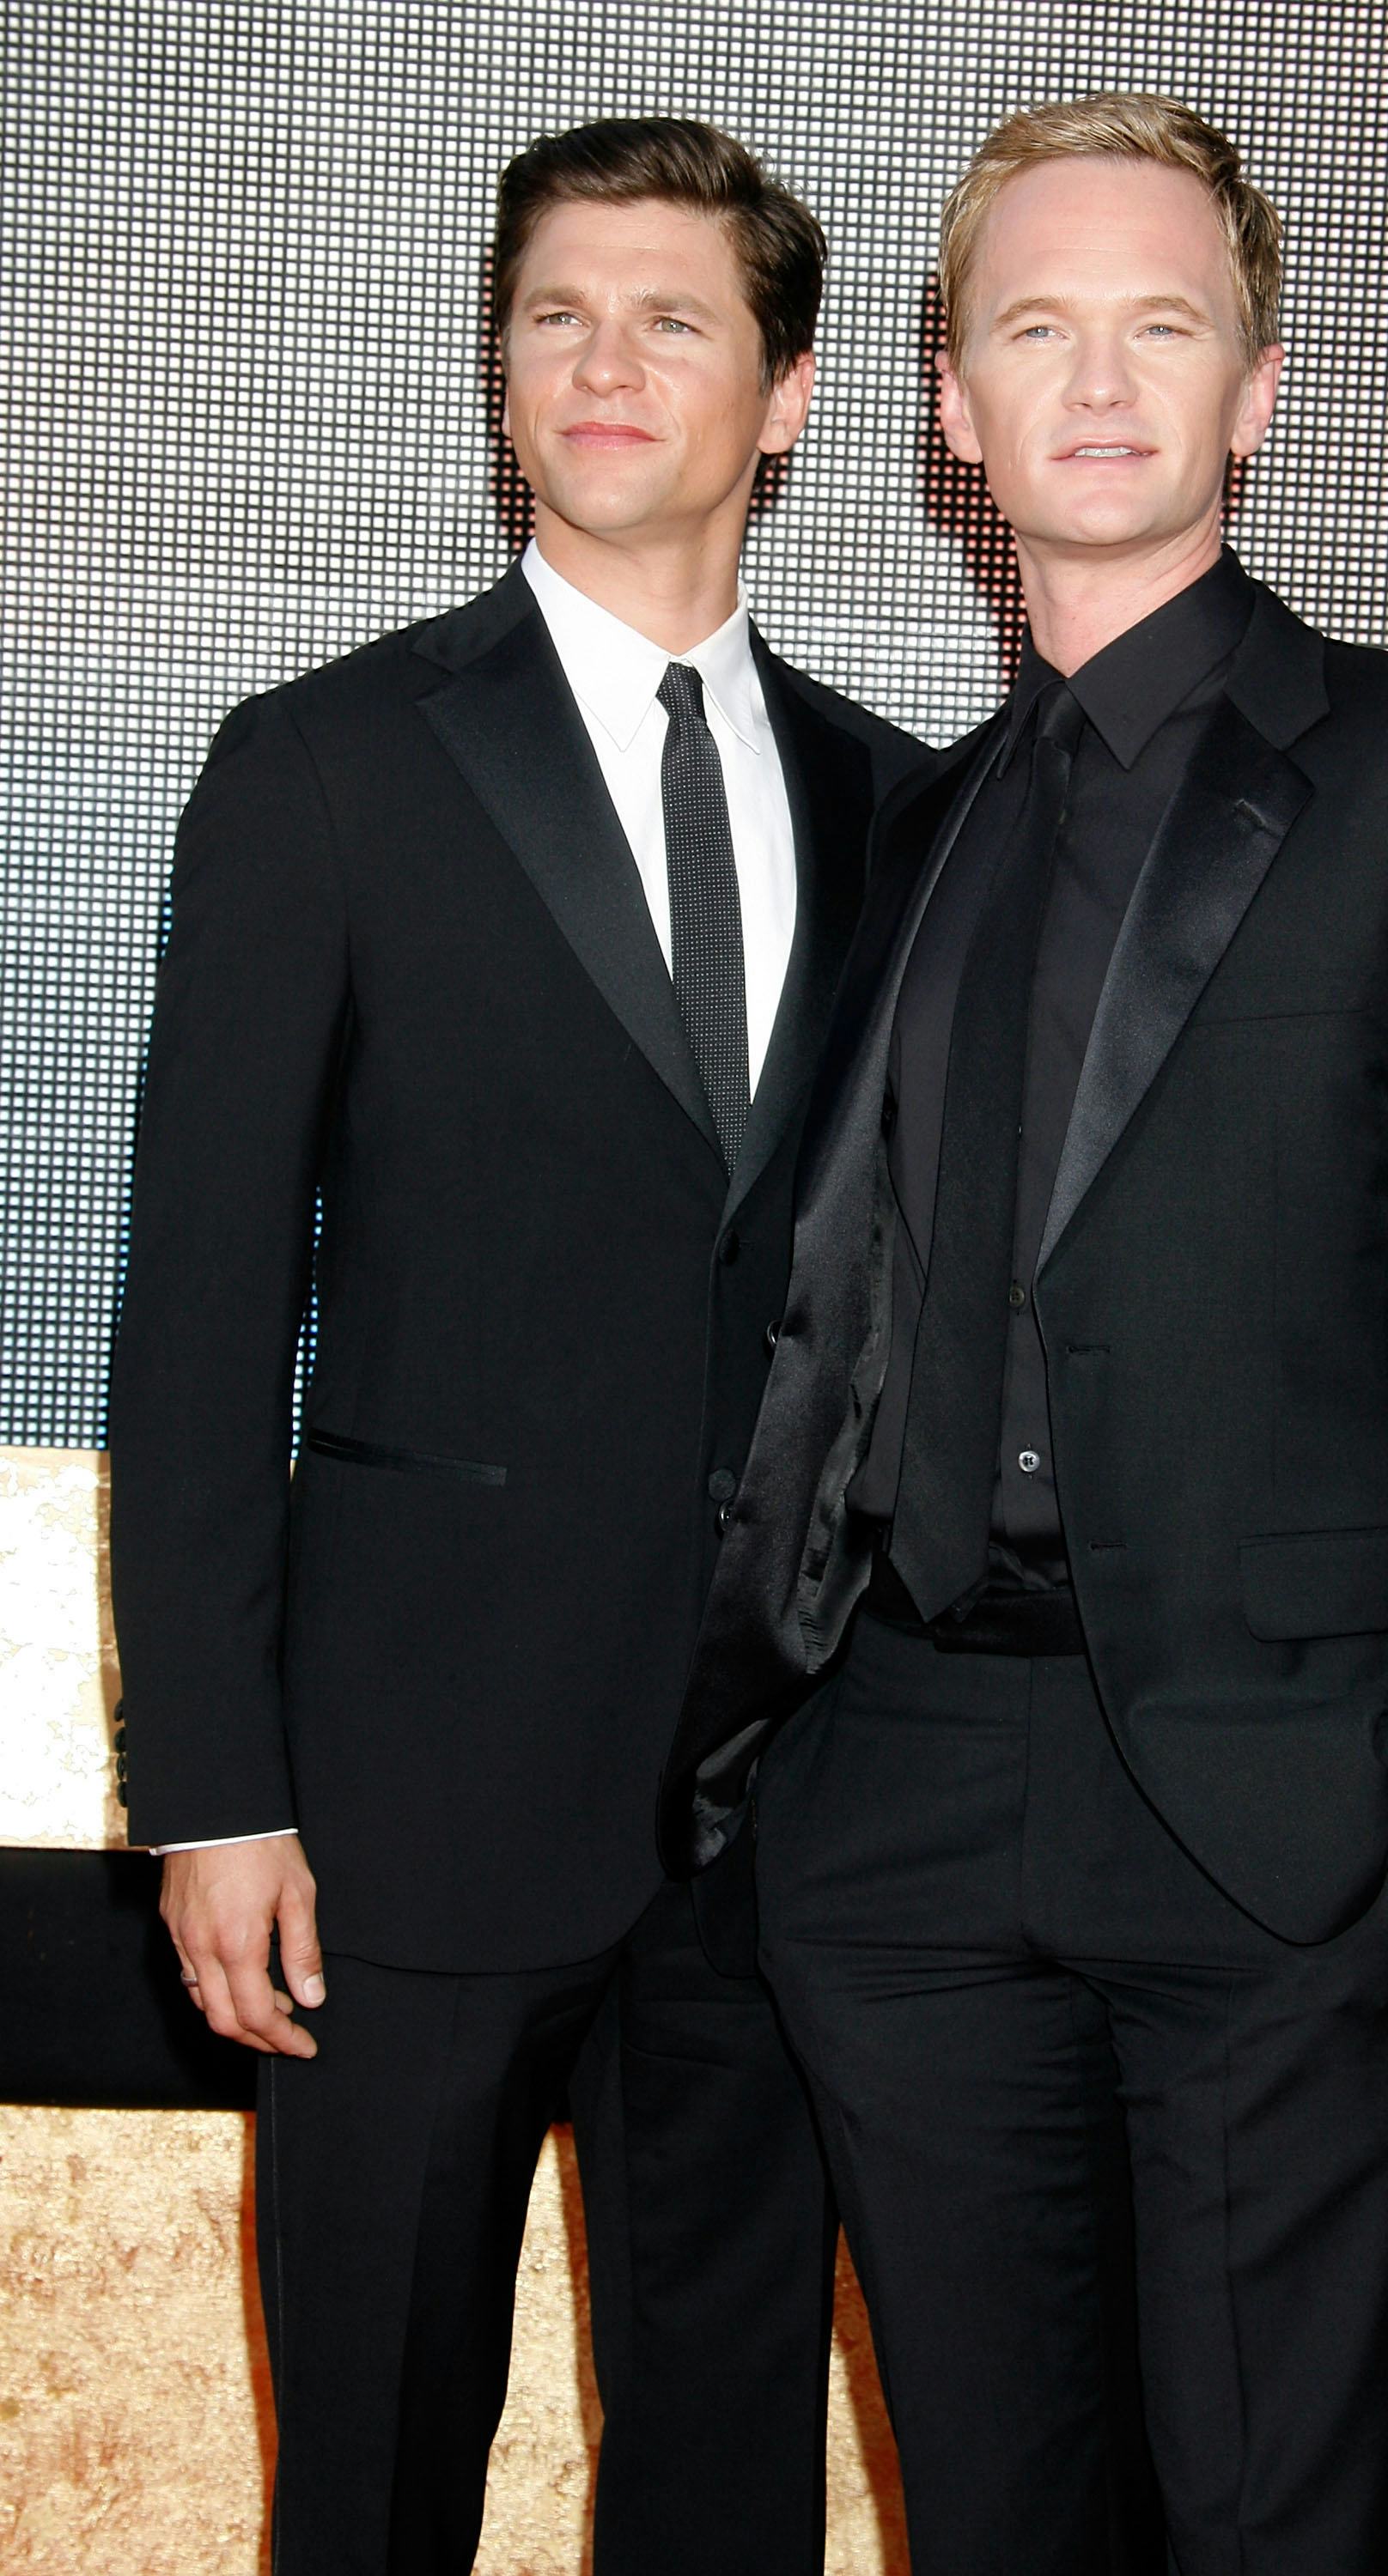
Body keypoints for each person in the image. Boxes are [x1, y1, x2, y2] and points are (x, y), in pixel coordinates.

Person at [660, 93, 1388, 2576]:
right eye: (1035, 326)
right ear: (948, 410)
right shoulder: (914, 823)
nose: (1098, 382)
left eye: (1163, 324)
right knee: (993, 2524)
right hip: (898, 1816)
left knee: (1278, 2533)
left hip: (1273, 1826)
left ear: (1260, 389)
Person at [108, 115, 917, 2576]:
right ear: (494, 371)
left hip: (793, 1813)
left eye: (674, 315)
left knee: (725, 2485)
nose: (604, 356)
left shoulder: (906, 808)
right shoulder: (326, 766)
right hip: (397, 1809)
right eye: (555, 308)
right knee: (368, 2479)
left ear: (783, 397)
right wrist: (214, 1788)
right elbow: (201, 1309)